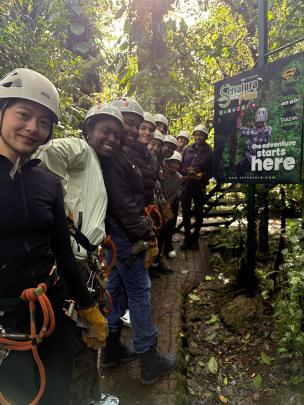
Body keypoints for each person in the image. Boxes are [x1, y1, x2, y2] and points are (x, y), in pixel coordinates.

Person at [0, 68, 107, 405]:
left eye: (44, 122)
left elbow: (62, 251)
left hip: (51, 317)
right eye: (23, 114)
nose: (33, 127)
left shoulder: (45, 183)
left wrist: (89, 308)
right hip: (5, 328)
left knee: (56, 395)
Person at [38, 103, 124, 405]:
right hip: (73, 260)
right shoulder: (80, 148)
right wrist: (58, 210)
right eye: (105, 131)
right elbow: (48, 153)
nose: (111, 138)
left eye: (116, 134)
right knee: (80, 336)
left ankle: (89, 395)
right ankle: (84, 399)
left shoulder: (96, 164)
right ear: (88, 130)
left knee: (85, 335)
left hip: (84, 258)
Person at [100, 97, 177, 384]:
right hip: (126, 233)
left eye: (135, 125)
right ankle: (149, 360)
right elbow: (124, 204)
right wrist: (146, 232)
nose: (131, 130)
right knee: (140, 294)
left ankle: (110, 349)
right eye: (126, 124)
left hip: (116, 233)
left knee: (115, 290)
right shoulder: (116, 159)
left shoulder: (120, 155)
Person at [180, 124, 213, 251]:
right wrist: (186, 172)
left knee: (199, 213)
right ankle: (187, 237)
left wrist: (202, 175)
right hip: (187, 185)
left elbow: (211, 170)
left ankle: (195, 238)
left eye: (201, 135)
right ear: (193, 136)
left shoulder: (209, 150)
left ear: (205, 137)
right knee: (186, 212)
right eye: (196, 134)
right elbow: (181, 166)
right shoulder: (187, 149)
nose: (198, 137)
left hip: (199, 185)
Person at [236, 107, 272, 176]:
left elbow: (239, 128)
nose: (258, 124)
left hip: (252, 160)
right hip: (262, 161)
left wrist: (239, 116)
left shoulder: (255, 132)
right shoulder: (268, 129)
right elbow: (260, 130)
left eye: (259, 123)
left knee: (239, 169)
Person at [163, 151, 183, 258]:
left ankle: (168, 246)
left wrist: (169, 203)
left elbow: (176, 193)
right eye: (172, 162)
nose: (174, 165)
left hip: (171, 204)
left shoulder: (179, 177)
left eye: (177, 163)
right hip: (159, 202)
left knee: (170, 225)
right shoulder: (162, 173)